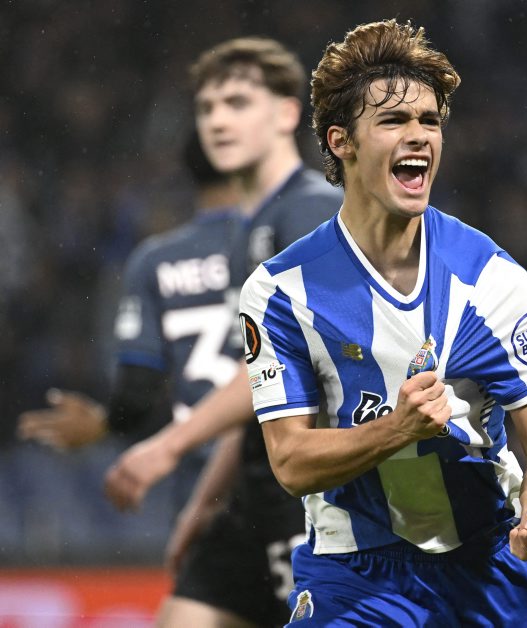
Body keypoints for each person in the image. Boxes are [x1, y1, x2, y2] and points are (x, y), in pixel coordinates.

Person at [238, 19, 527, 626]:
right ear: (341, 141)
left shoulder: (492, 282)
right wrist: (397, 429)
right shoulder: (281, 292)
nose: (418, 135)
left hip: (484, 566)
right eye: (393, 120)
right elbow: (289, 461)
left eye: (429, 121)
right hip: (353, 572)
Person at [100, 37, 343, 627]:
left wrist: (167, 447)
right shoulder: (247, 232)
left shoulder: (310, 210)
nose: (216, 121)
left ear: (286, 113)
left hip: (312, 494)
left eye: (237, 103)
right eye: (207, 107)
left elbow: (283, 368)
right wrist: (205, 505)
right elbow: (259, 385)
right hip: (250, 493)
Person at [17, 131, 241, 508]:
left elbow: (136, 392)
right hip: (278, 479)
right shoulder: (281, 246)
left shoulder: (155, 260)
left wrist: (105, 423)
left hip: (199, 489)